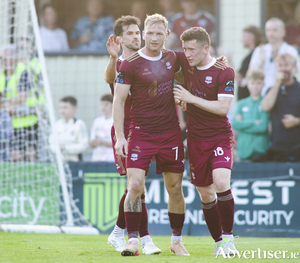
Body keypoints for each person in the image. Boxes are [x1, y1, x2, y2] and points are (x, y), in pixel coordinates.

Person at [113, 14, 189, 256]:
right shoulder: (129, 63)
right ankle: (133, 240)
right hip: (140, 133)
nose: (154, 38)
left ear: (167, 35)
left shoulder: (174, 58)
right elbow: (118, 100)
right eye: (150, 33)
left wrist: (219, 63)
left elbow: (196, 69)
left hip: (170, 133)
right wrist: (121, 138)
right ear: (144, 34)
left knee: (175, 188)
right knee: (134, 185)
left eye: (160, 34)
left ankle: (176, 241)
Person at [173, 27, 237, 255]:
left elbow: (222, 108)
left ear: (205, 48)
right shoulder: (185, 67)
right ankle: (219, 242)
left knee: (221, 183)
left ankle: (229, 241)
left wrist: (190, 98)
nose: (187, 54)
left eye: (192, 49)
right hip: (196, 140)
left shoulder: (224, 70)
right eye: (184, 49)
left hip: (219, 136)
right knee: (206, 194)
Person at [104, 15, 161, 255]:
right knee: (136, 186)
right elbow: (109, 81)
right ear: (119, 39)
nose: (136, 36)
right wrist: (113, 56)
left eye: (138, 32)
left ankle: (119, 232)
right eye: (130, 33)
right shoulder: (118, 64)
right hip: (125, 131)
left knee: (135, 187)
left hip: (145, 130)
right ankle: (144, 238)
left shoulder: (148, 60)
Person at [0, 45, 38, 162]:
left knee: (30, 154)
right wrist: (8, 106)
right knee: (15, 155)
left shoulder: (24, 72)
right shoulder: (2, 75)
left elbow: (21, 98)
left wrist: (5, 104)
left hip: (28, 120)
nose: (1, 61)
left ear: (13, 58)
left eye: (3, 58)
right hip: (11, 122)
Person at [260, 53, 300, 162]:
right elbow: (265, 107)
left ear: (294, 67)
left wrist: (296, 121)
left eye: (286, 65)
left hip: (297, 150)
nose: (283, 69)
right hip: (276, 149)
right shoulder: (272, 90)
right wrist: (277, 84)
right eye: (280, 65)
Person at [249, 17, 300, 96]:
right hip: (262, 96)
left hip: (284, 95)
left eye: (275, 30)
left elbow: (296, 71)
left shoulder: (290, 50)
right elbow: (250, 75)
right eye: (268, 30)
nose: (271, 33)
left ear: (283, 32)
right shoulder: (259, 50)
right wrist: (262, 61)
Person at [232, 68, 269, 161]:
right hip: (244, 150)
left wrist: (243, 124)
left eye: (258, 83)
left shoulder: (265, 103)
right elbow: (235, 124)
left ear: (263, 84)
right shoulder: (241, 103)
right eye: (252, 83)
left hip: (260, 150)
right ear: (248, 84)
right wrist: (254, 122)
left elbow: (262, 127)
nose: (255, 86)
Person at [49, 96, 88, 162]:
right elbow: (51, 142)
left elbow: (84, 145)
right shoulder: (57, 124)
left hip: (75, 161)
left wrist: (65, 148)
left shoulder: (79, 124)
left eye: (65, 107)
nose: (62, 110)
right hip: (60, 161)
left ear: (74, 108)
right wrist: (57, 149)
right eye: (61, 108)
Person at [236, 25, 263, 100]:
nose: (241, 39)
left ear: (252, 38)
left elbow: (241, 80)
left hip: (249, 99)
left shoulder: (253, 56)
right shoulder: (252, 55)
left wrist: (227, 61)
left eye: (244, 37)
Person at [90, 94, 114, 162]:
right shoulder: (97, 121)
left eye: (106, 105)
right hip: (97, 158)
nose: (103, 107)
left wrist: (103, 142)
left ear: (113, 105)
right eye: (101, 104)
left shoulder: (117, 121)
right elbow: (92, 142)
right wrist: (93, 142)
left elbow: (120, 143)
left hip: (111, 159)